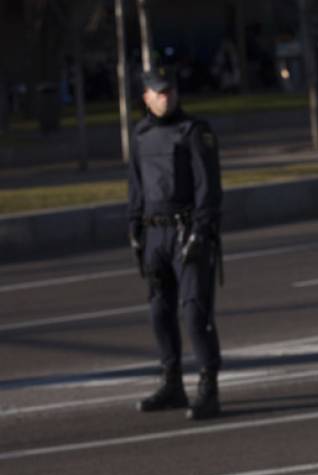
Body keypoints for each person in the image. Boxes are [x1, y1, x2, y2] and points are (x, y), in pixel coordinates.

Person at [128, 67, 223, 421]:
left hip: (187, 232)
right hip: (154, 234)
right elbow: (135, 186)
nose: (165, 96)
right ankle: (172, 384)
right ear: (146, 98)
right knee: (159, 311)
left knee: (195, 312)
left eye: (170, 91)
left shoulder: (194, 132)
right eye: (158, 92)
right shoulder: (140, 134)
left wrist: (201, 230)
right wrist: (134, 227)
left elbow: (208, 188)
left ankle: (208, 389)